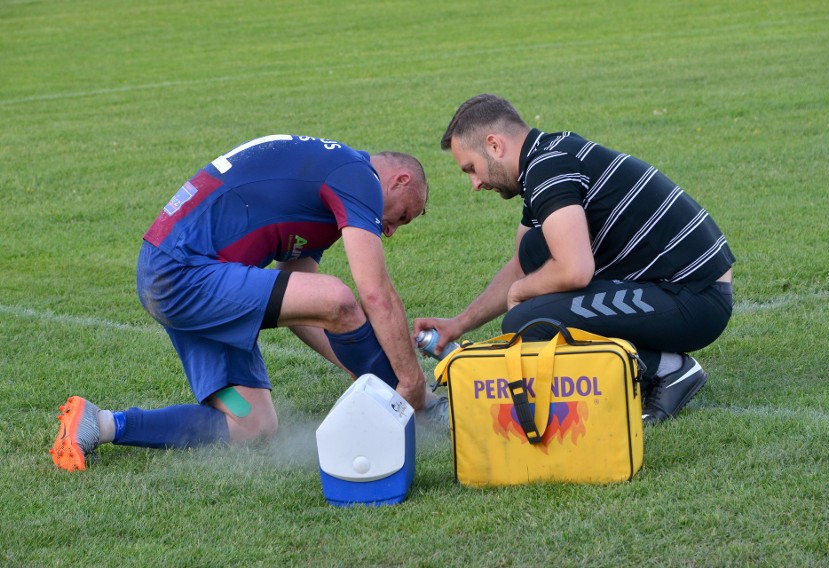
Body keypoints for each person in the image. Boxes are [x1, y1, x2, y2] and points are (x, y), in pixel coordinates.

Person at [51, 134, 446, 472]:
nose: (391, 229)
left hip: (177, 280)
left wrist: (367, 376)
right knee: (340, 297)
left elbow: (305, 309)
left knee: (251, 423)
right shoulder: (358, 176)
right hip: (182, 272)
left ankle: (99, 424)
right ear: (399, 180)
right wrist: (410, 385)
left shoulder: (326, 189)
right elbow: (372, 294)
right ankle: (427, 411)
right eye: (404, 215)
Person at [414, 94, 735, 425]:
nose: (475, 183)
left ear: (494, 145)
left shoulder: (547, 167)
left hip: (695, 299)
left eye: (471, 168)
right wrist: (459, 324)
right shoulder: (547, 156)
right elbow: (522, 267)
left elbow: (574, 269)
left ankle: (671, 370)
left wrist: (523, 292)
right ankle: (632, 366)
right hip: (677, 288)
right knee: (534, 252)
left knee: (527, 322)